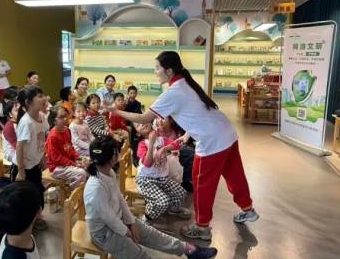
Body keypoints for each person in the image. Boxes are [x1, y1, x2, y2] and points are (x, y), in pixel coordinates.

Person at [109, 51, 258, 241]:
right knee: (234, 175)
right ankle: (248, 209)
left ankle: (202, 227)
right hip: (226, 132)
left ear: (169, 70)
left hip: (211, 142)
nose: (155, 72)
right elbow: (198, 113)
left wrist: (116, 111)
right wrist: (186, 136)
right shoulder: (186, 82)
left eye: (157, 68)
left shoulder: (173, 92)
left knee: (202, 185)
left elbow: (144, 118)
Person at [83, 137, 223, 259]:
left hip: (119, 222)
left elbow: (119, 200)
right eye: (117, 152)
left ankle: (188, 251)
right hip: (105, 234)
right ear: (112, 158)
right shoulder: (95, 188)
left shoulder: (107, 172)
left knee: (151, 234)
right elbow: (108, 219)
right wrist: (127, 232)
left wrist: (131, 223)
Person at [134, 122, 190, 222]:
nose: (143, 124)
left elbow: (177, 145)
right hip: (146, 180)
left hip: (162, 177)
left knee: (181, 193)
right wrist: (151, 143)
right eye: (138, 125)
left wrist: (164, 148)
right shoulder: (142, 144)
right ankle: (147, 217)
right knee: (162, 201)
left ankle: (173, 210)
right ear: (138, 133)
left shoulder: (161, 140)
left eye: (144, 121)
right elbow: (148, 163)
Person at [14, 86, 48, 228]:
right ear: (28, 102)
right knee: (25, 196)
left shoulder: (42, 117)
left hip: (34, 164)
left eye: (43, 95)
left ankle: (37, 217)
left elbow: (42, 140)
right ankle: (26, 224)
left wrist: (43, 159)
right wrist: (21, 170)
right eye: (39, 96)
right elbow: (19, 147)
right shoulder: (26, 122)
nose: (44, 98)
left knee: (38, 191)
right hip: (23, 167)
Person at [46, 106, 87, 190]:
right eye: (61, 117)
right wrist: (74, 164)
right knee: (81, 173)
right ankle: (74, 194)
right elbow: (56, 159)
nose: (65, 119)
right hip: (56, 167)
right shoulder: (53, 136)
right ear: (54, 120)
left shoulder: (67, 130)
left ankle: (83, 190)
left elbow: (70, 147)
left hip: (67, 162)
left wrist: (77, 157)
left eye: (65, 116)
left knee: (88, 163)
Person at [2, 100, 21, 167]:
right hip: (11, 152)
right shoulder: (9, 127)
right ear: (10, 114)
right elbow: (15, 145)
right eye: (17, 110)